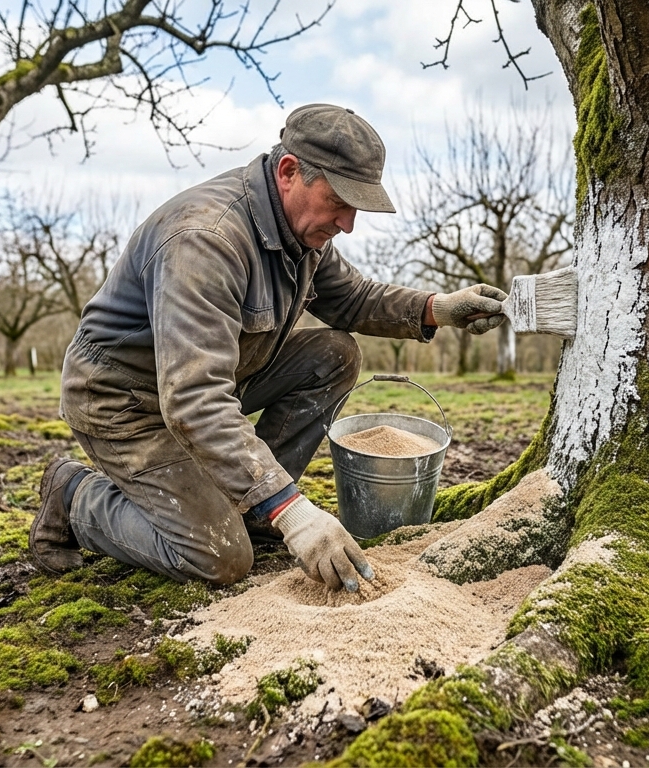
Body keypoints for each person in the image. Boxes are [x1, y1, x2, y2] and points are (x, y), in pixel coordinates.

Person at [30, 104, 507, 592]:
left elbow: (351, 299)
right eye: (340, 200)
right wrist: (295, 511)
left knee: (334, 354)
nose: (348, 223)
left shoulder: (297, 232)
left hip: (211, 382)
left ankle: (256, 506)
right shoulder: (206, 240)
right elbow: (194, 399)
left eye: (357, 206)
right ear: (289, 172)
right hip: (125, 402)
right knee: (219, 558)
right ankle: (74, 495)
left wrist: (437, 308)